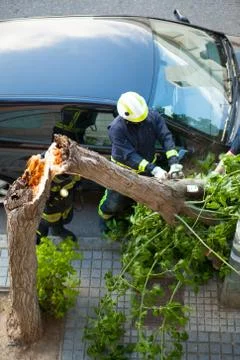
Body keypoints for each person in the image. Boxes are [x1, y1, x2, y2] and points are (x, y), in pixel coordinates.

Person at [98, 91, 183, 233]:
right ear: (126, 117)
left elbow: (165, 137)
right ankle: (104, 218)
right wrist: (154, 169)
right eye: (139, 120)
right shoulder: (116, 129)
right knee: (114, 202)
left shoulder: (151, 115)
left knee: (147, 197)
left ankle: (133, 216)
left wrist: (174, 162)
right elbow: (130, 156)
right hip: (122, 172)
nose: (143, 121)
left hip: (148, 168)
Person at [36, 107, 97, 244]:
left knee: (62, 217)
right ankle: (45, 235)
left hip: (63, 200)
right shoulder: (45, 171)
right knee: (49, 222)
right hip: (50, 206)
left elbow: (73, 178)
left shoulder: (67, 163)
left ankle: (49, 231)